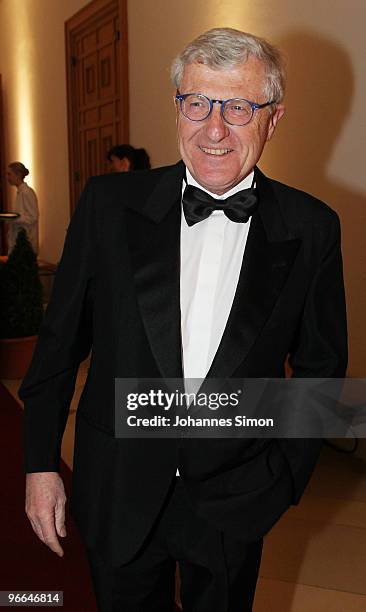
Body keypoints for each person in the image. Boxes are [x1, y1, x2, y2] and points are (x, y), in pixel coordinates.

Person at [19, 28, 347, 611]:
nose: (214, 129)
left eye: (239, 107)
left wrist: (285, 479)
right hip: (117, 485)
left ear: (273, 119)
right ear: (177, 108)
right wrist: (40, 464)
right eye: (197, 102)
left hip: (236, 498)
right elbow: (59, 344)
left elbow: (323, 365)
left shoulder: (313, 226)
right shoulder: (107, 206)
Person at [6, 162, 39, 255]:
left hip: (25, 241)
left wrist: (13, 219)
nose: (7, 178)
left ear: (18, 174)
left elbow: (33, 217)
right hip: (18, 239)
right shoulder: (19, 193)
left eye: (9, 174)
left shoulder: (27, 192)